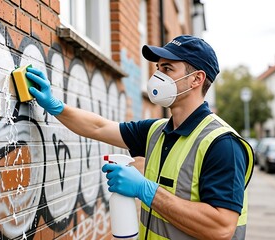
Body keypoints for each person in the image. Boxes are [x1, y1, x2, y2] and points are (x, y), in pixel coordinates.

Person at [25, 35, 254, 240]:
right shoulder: (156, 131)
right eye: (157, 68)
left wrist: (146, 190)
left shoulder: (222, 144)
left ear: (196, 79)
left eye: (167, 69)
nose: (157, 76)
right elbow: (98, 127)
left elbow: (221, 228)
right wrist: (55, 106)